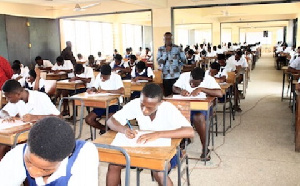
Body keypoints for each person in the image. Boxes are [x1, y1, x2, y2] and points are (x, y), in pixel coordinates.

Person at [106, 83, 194, 186]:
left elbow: (190, 132)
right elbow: (110, 121)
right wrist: (124, 129)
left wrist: (157, 134)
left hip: (168, 151)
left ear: (160, 103)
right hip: (142, 149)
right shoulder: (135, 104)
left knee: (159, 170)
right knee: (114, 165)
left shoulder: (168, 108)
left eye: (150, 107)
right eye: (142, 105)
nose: (144, 110)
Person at [0, 117, 99, 185]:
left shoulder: (84, 155)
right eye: (29, 162)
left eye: (45, 169)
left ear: (68, 156)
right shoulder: (19, 153)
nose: (33, 173)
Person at [172, 67, 222, 161]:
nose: (192, 84)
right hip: (186, 105)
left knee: (198, 117)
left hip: (202, 108)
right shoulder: (184, 76)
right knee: (175, 115)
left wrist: (201, 89)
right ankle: (182, 140)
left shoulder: (209, 79)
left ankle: (205, 148)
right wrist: (180, 91)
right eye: (191, 82)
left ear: (202, 80)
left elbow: (219, 93)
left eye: (195, 84)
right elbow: (174, 88)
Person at [85, 64, 124, 134]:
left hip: (114, 103)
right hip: (102, 103)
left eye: (105, 77)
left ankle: (109, 131)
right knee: (89, 119)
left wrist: (107, 91)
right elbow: (95, 87)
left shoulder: (116, 77)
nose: (103, 78)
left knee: (110, 121)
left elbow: (122, 91)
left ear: (110, 74)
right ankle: (104, 129)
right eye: (102, 76)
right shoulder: (99, 76)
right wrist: (91, 89)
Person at [157, 32, 186, 96]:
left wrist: (179, 66)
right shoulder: (161, 49)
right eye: (166, 39)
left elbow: (184, 60)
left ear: (172, 39)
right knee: (167, 95)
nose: (168, 40)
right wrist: (165, 53)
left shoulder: (177, 48)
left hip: (176, 75)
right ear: (164, 39)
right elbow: (159, 62)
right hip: (166, 76)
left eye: (169, 38)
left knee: (177, 94)